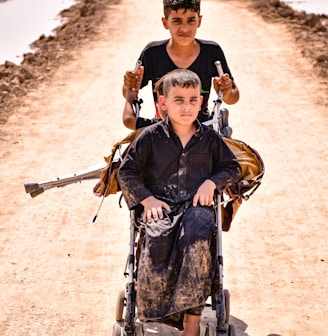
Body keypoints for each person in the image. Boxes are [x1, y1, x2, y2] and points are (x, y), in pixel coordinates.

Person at [117, 69, 241, 336]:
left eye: (193, 100)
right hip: (160, 204)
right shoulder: (150, 137)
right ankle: (162, 311)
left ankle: (192, 320)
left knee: (198, 234)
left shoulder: (209, 139)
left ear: (201, 102)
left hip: (196, 208)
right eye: (179, 100)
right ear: (163, 104)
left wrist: (211, 182)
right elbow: (125, 172)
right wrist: (147, 199)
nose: (187, 107)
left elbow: (232, 168)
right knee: (157, 236)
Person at [122, 0, 239, 123]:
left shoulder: (212, 52)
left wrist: (226, 92)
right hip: (163, 133)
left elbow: (234, 97)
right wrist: (129, 85)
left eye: (191, 20)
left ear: (199, 21)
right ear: (165, 22)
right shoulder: (152, 54)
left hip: (203, 130)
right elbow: (129, 92)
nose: (184, 28)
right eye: (177, 21)